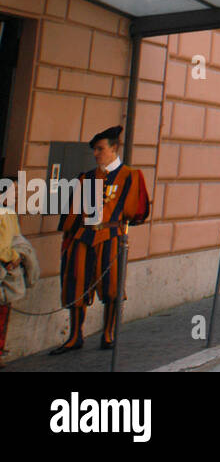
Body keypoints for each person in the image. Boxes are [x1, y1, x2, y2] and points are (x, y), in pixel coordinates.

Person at [52, 125, 151, 354]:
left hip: (112, 237)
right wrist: (68, 237)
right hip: (82, 238)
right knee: (75, 285)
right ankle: (75, 336)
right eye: (95, 149)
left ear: (114, 148)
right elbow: (72, 212)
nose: (96, 153)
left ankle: (108, 334)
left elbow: (138, 210)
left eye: (100, 148)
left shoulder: (131, 176)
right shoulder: (85, 177)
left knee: (112, 287)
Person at [0, 181, 38, 369]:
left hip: (8, 274)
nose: (15, 196)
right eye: (13, 191)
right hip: (4, 267)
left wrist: (18, 256)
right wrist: (13, 256)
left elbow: (16, 239)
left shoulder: (9, 214)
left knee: (3, 314)